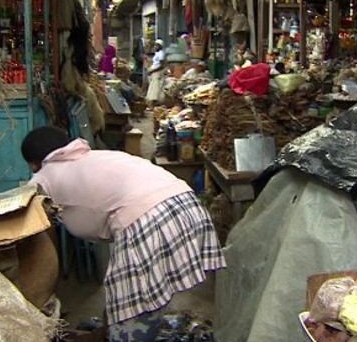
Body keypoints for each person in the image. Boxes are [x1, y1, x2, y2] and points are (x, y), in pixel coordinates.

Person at [21, 126, 226, 341]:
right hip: (187, 206)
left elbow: (39, 237)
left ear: (34, 163)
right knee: (132, 294)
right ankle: (109, 333)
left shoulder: (42, 179)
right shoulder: (99, 157)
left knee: (134, 311)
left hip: (148, 220)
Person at [146, 38, 166, 108]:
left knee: (154, 90)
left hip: (157, 73)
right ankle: (151, 105)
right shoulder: (157, 53)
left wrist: (152, 70)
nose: (155, 47)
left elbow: (161, 65)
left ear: (160, 46)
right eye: (155, 45)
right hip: (154, 72)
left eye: (157, 45)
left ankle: (152, 106)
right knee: (152, 88)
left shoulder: (161, 53)